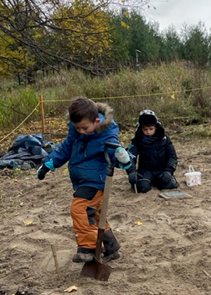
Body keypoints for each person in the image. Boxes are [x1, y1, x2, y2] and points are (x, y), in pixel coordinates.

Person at [36, 97, 137, 263]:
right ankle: (110, 246)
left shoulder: (106, 136)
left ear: (96, 121)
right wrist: (48, 165)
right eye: (77, 128)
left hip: (95, 182)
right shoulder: (75, 133)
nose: (81, 131)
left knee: (79, 209)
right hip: (81, 181)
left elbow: (118, 153)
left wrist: (129, 167)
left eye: (85, 128)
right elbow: (64, 150)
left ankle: (88, 248)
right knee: (95, 216)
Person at [128, 110, 178, 193]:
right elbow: (130, 156)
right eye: (145, 129)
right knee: (142, 187)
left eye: (151, 129)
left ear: (156, 127)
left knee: (169, 185)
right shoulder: (137, 140)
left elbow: (172, 156)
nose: (148, 132)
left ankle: (160, 180)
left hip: (162, 169)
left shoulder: (165, 139)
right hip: (145, 170)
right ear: (141, 129)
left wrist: (169, 171)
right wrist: (131, 171)